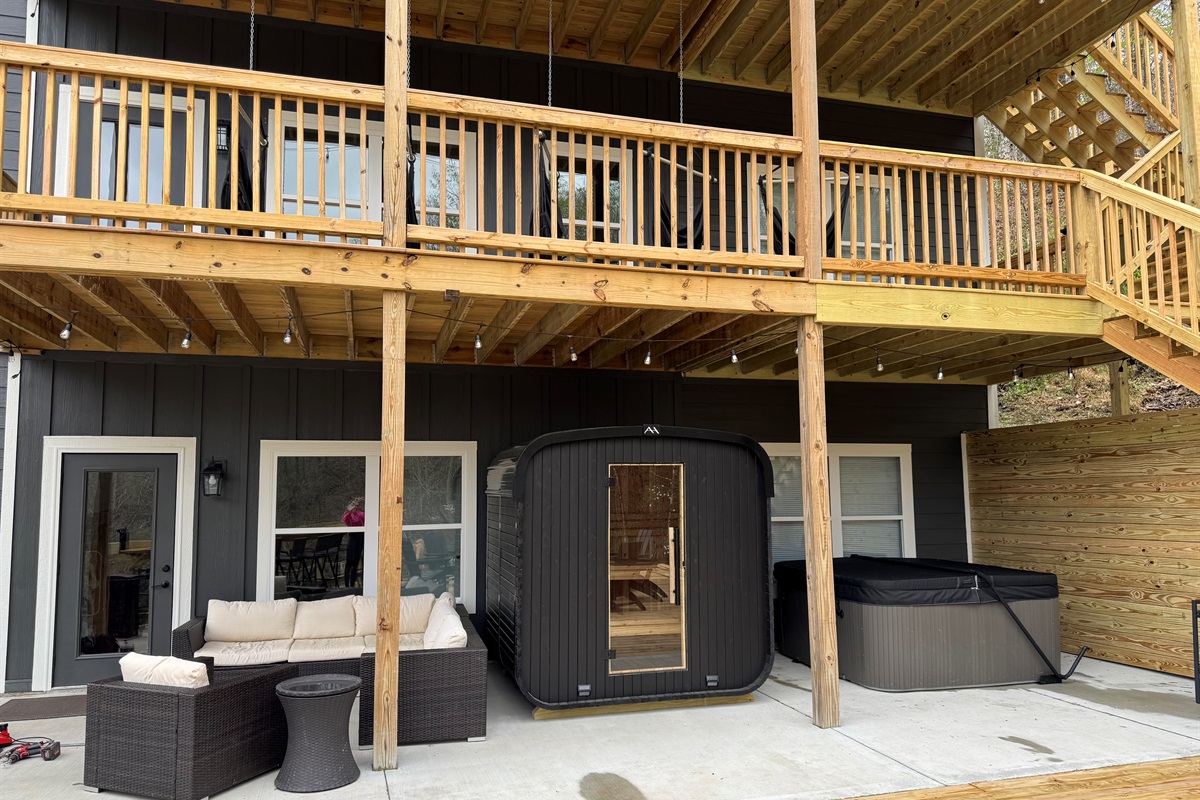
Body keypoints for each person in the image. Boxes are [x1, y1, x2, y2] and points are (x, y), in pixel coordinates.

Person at [342, 496, 365, 587]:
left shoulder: (361, 514)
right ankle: (347, 584)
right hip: (352, 537)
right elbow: (344, 520)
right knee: (349, 560)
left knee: (356, 560)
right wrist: (349, 510)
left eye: (356, 506)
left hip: (361, 536)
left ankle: (352, 583)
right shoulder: (348, 515)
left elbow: (366, 520)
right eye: (353, 506)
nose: (355, 508)